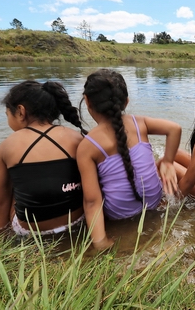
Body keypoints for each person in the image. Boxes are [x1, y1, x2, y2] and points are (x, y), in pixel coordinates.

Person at [77, 69, 181, 250]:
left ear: (87, 101)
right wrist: (167, 161)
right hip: (154, 201)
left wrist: (100, 241)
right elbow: (175, 128)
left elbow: (92, 202)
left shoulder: (88, 145)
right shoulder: (139, 123)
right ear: (126, 101)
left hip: (119, 214)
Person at [0, 81, 87, 237]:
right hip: (76, 221)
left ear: (21, 111)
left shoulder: (6, 146)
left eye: (7, 114)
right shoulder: (76, 138)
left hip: (30, 232)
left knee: (14, 186)